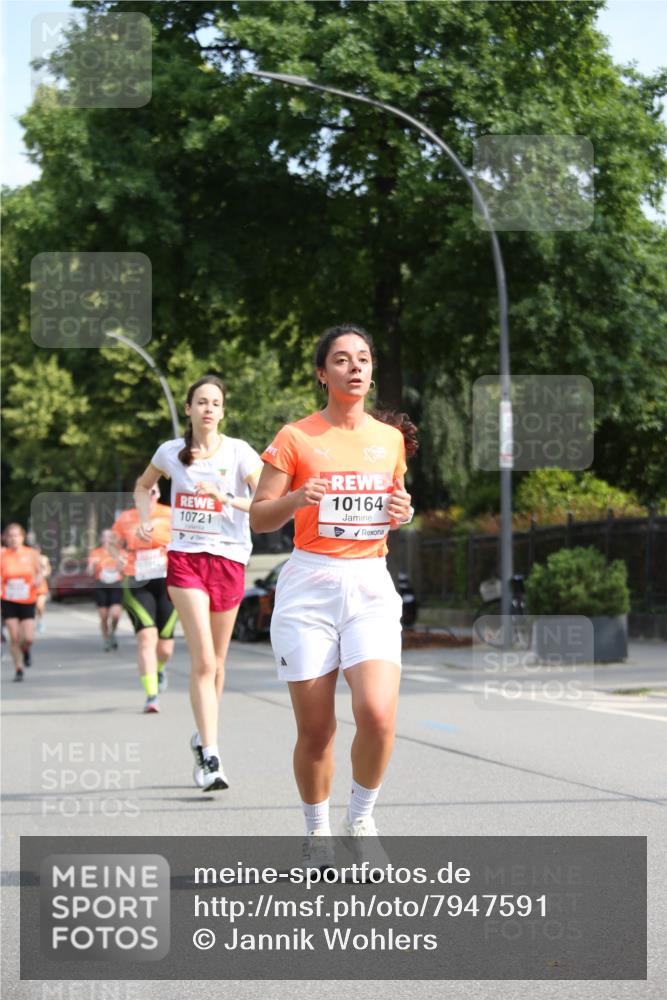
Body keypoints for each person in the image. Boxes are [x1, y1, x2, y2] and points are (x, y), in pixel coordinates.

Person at [250, 324, 416, 865]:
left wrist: (403, 512)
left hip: (370, 582)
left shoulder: (388, 440)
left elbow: (394, 505)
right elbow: (258, 517)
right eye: (341, 360)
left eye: (363, 359)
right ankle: (316, 832)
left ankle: (360, 818)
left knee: (378, 714)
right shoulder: (296, 437)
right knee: (317, 730)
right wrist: (299, 496)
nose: (355, 367)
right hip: (310, 588)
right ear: (323, 373)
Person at [134, 375, 262, 793]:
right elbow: (142, 485)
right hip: (186, 559)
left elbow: (265, 504)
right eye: (201, 402)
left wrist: (226, 499)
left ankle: (203, 737)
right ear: (188, 409)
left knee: (218, 664)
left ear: (223, 411)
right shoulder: (171, 453)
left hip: (229, 559)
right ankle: (211, 754)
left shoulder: (241, 453)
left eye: (216, 402)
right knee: (204, 661)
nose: (208, 408)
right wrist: (145, 518)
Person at [112, 487, 176, 713]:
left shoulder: (170, 513)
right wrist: (117, 557)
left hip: (168, 580)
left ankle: (159, 669)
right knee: (147, 637)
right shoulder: (125, 518)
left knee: (165, 648)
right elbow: (112, 542)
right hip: (137, 580)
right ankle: (152, 696)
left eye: (152, 492)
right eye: (142, 492)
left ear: (157, 495)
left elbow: (187, 538)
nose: (147, 496)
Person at [1, 523, 43, 681]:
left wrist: (37, 580)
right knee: (14, 636)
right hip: (8, 598)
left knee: (28, 638)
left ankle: (25, 650)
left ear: (22, 537)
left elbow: (39, 572)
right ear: (6, 538)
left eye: (16, 535)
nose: (13, 539)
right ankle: (18, 669)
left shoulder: (31, 553)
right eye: (10, 536)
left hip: (27, 599)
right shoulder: (2, 555)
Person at [87, 530, 124, 651]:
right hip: (101, 585)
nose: (107, 539)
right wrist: (91, 565)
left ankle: (113, 632)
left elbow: (125, 570)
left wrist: (121, 563)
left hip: (115, 585)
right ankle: (106, 639)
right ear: (101, 539)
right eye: (105, 536)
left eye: (110, 537)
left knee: (115, 614)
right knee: (103, 616)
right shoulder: (95, 553)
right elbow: (89, 572)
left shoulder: (119, 552)